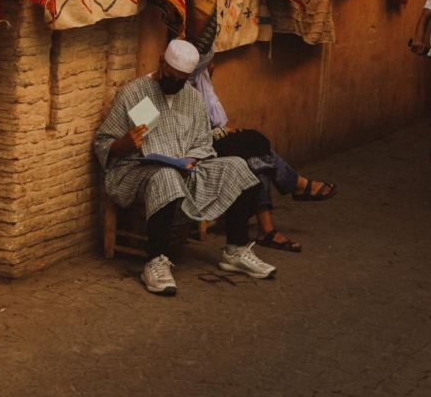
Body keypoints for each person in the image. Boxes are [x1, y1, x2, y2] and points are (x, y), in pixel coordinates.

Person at [94, 39, 276, 296]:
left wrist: (192, 159)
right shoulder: (131, 94)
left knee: (238, 167)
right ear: (161, 62)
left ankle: (235, 251)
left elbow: (204, 141)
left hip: (186, 170)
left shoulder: (191, 97)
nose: (175, 84)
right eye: (171, 77)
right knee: (166, 176)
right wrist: (123, 143)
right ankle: (155, 260)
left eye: (182, 80)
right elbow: (102, 143)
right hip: (136, 172)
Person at [189, 50, 338, 253]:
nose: (213, 66)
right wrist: (224, 132)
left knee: (256, 156)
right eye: (209, 62)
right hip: (200, 149)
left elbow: (214, 122)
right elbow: (197, 134)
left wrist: (224, 131)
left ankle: (268, 228)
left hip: (214, 140)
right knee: (255, 143)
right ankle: (293, 186)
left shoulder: (204, 85)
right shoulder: (187, 82)